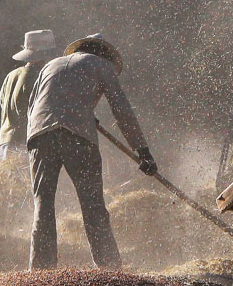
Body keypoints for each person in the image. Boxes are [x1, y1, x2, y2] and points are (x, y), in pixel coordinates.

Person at [25, 33, 156, 271]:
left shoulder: (50, 65)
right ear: (103, 53)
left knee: (43, 204)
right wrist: (143, 150)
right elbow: (120, 107)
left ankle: (41, 270)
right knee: (92, 204)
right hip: (77, 136)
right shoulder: (100, 64)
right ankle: (109, 268)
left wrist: (79, 115)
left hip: (39, 135)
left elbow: (35, 107)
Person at [0, 30, 58, 161]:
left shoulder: (12, 75)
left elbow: (3, 103)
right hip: (23, 142)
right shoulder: (35, 77)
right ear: (44, 56)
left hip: (4, 140)